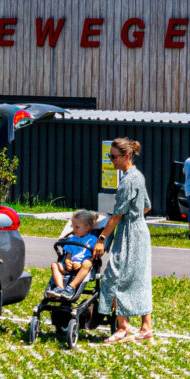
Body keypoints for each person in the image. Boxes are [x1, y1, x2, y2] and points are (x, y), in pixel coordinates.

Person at [98, 137, 155, 341]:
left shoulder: (128, 180)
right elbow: (147, 206)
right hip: (140, 230)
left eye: (114, 157)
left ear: (126, 156)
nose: (111, 160)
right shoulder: (137, 176)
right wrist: (135, 216)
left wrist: (101, 238)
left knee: (113, 276)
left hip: (130, 233)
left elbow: (116, 215)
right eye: (109, 156)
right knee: (139, 278)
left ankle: (123, 326)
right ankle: (146, 327)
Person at [44, 210, 102, 301]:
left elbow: (94, 257)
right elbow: (69, 254)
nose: (74, 230)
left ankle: (71, 287)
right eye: (73, 226)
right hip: (69, 267)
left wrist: (81, 264)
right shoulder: (72, 239)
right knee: (54, 265)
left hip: (82, 269)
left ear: (87, 227)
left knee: (87, 263)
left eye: (77, 227)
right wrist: (67, 261)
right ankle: (59, 288)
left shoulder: (93, 240)